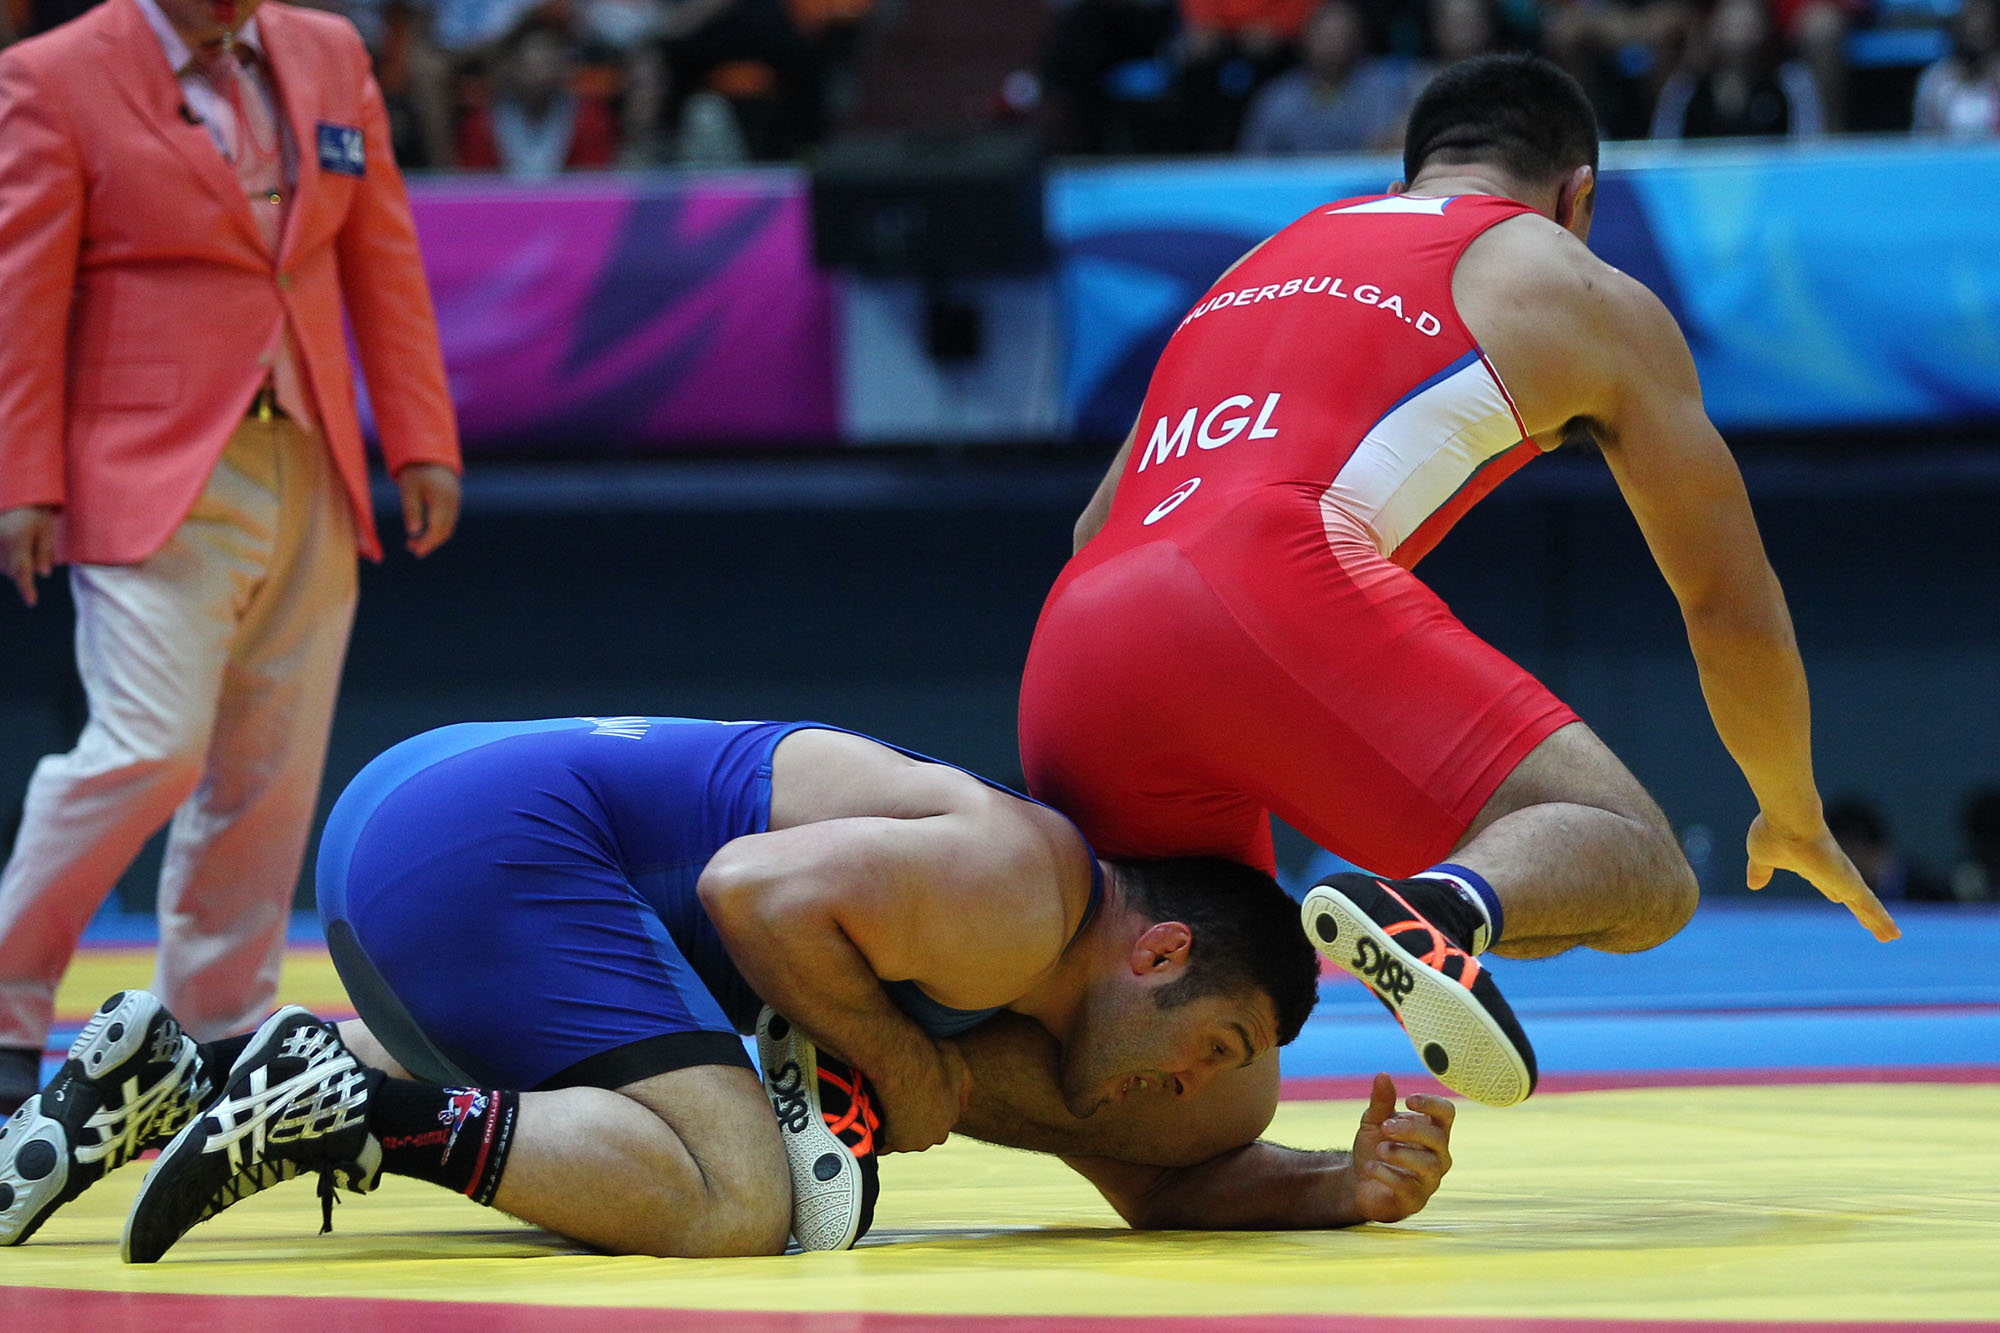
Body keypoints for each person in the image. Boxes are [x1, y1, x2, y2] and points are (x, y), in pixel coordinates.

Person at [1017, 53, 1898, 1112]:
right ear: (1577, 197)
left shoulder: (1262, 256)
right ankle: (1439, 910)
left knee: (1194, 1074)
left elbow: (1094, 522)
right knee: (1640, 866)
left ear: (1407, 176)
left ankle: (886, 1067)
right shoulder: (1574, 282)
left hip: (1077, 642)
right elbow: (1726, 599)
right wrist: (1789, 808)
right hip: (1262, 581)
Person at [0, 716, 1456, 1261]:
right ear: (1161, 950)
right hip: (488, 842)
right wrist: (893, 1056)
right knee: (735, 1195)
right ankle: (353, 1111)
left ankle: (171, 1078)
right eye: (1214, 1045)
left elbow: (1147, 1174)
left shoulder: (1024, 987)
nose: (1183, 1085)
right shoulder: (1027, 888)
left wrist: (1340, 1186)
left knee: (651, 1123)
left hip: (435, 813)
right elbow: (750, 891)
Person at [0, 0, 462, 1117]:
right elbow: (20, 289)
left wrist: (421, 437)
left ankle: (215, 1031)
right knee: (147, 747)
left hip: (306, 450)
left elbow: (381, 250)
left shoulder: (328, 51)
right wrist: (21, 478)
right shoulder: (53, 76)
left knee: (271, 768)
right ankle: (5, 1005)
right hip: (146, 459)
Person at [1237, 0, 1418, 156]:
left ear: (1358, 38)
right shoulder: (1277, 99)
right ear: (1305, 39)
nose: (1333, 45)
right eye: (1325, 36)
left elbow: (1400, 146)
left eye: (1341, 35)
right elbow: (1253, 164)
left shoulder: (1388, 87)